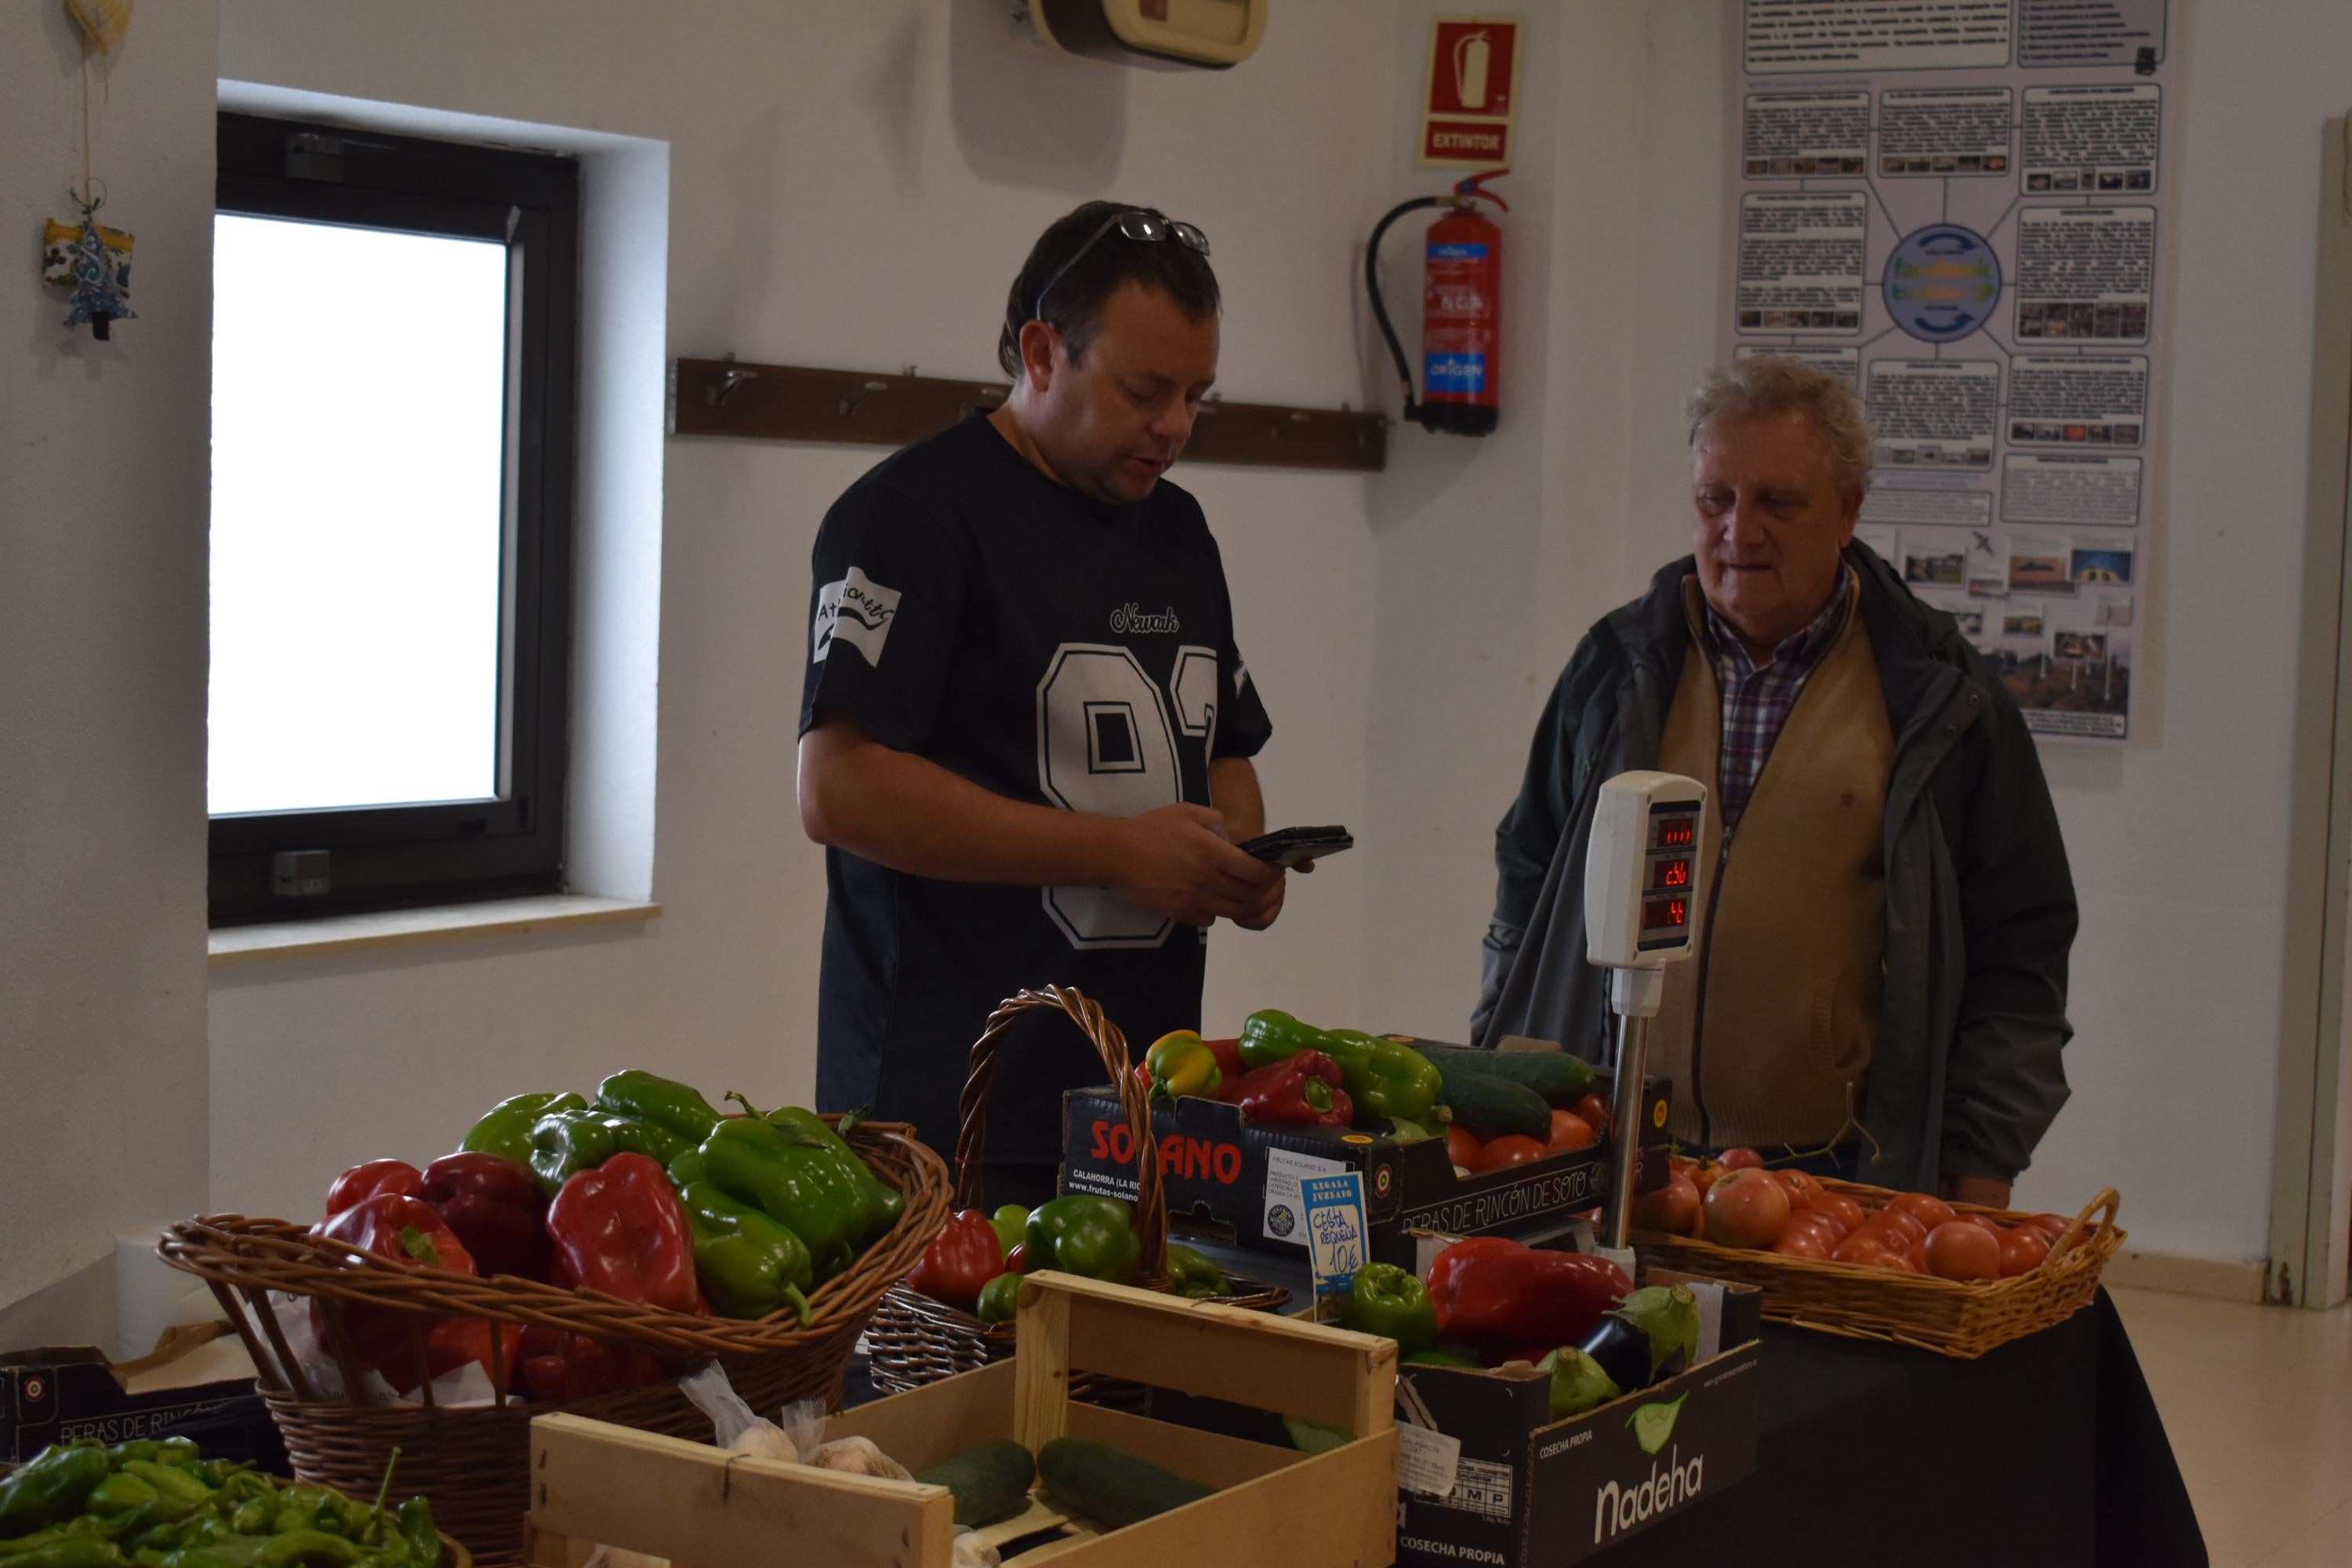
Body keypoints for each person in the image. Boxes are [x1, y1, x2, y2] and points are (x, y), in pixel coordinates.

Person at [1470, 356, 2076, 1207]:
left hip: (1835, 1171)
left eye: (1778, 502)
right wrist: (1501, 1064)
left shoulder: (1941, 697)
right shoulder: (1615, 669)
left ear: (1849, 510)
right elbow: (1528, 877)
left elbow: (2020, 948)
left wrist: (1984, 1152)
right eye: (1715, 498)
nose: (1739, 531)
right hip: (1614, 1140)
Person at [797, 202, 1294, 1208]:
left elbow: (1224, 747)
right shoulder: (912, 515)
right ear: (1041, 352)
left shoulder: (1180, 530)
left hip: (1138, 1101)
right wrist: (1119, 852)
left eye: (1196, 395)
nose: (1175, 425)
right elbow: (839, 788)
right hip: (947, 1113)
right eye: (1145, 390)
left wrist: (1236, 856)